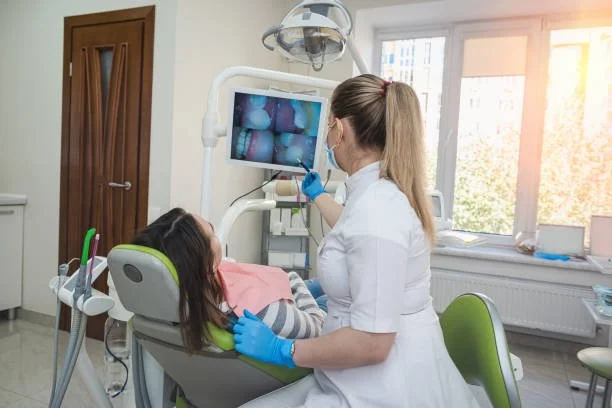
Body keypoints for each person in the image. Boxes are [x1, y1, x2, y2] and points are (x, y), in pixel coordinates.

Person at [232, 75, 480, 407]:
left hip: (383, 388)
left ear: (340, 129)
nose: (327, 137)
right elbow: (352, 229)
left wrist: (283, 349)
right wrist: (319, 196)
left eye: (329, 127)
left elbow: (372, 344)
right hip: (356, 375)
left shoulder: (378, 212)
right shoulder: (373, 196)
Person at [131, 208, 326, 353]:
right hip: (298, 306)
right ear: (206, 264)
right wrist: (294, 280)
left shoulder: (191, 291)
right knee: (335, 292)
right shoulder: (260, 312)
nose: (216, 234)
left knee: (323, 283)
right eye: (212, 233)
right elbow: (319, 327)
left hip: (278, 291)